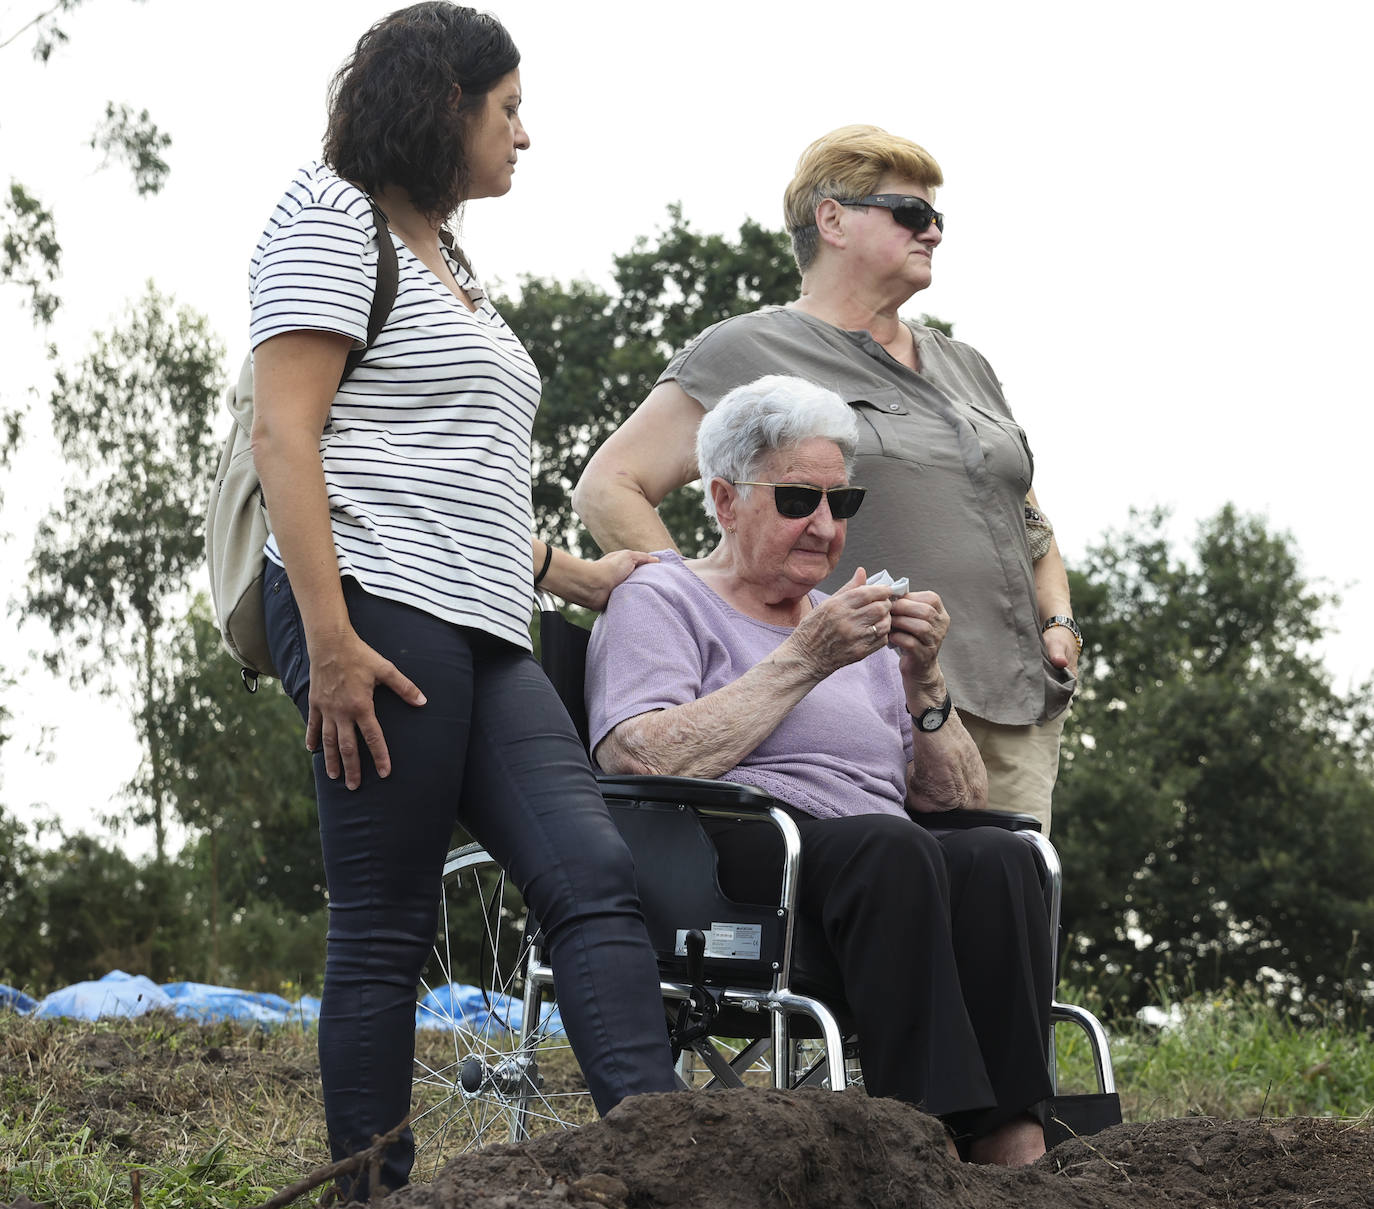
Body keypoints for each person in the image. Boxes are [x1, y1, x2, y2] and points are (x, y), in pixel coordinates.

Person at [248, 4, 675, 1195]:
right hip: (372, 604)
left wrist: (574, 576)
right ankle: (373, 1190)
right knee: (387, 920)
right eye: (510, 109)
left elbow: (450, 473)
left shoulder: (445, 253)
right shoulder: (330, 219)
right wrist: (331, 644)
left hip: (486, 621)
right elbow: (286, 438)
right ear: (448, 104)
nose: (524, 136)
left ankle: (675, 1160)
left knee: (594, 878)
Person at [585, 376, 1054, 1166]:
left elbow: (955, 799)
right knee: (891, 848)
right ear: (726, 500)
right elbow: (638, 753)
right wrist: (807, 657)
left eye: (843, 502)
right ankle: (927, 1141)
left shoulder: (850, 624)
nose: (826, 525)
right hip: (729, 857)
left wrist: (925, 678)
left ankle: (1016, 1142)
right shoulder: (663, 596)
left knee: (998, 855)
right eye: (799, 499)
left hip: (874, 860)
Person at [573, 124, 1078, 834]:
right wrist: (706, 618)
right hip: (852, 717)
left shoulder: (967, 366)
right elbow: (609, 484)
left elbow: (1025, 514)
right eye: (910, 212)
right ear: (832, 219)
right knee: (884, 875)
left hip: (1009, 702)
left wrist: (1058, 619)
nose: (933, 231)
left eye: (938, 216)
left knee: (1006, 887)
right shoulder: (749, 347)